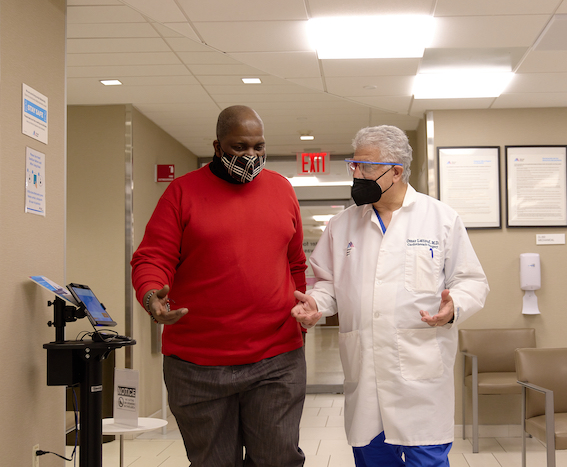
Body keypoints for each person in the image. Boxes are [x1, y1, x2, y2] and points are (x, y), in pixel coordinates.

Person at [292, 125, 489, 467]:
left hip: (421, 374)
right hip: (365, 371)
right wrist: (317, 305)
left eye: (365, 166)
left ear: (396, 171)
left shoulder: (440, 219)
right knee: (372, 457)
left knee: (425, 458)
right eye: (353, 165)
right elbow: (327, 284)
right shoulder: (342, 225)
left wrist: (454, 305)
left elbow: (472, 281)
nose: (357, 173)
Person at [131, 105, 307, 467]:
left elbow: (295, 263)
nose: (251, 156)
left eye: (258, 147)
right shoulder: (182, 193)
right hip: (198, 364)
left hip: (276, 357)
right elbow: (152, 257)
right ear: (217, 145)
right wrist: (152, 294)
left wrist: (302, 312)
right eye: (239, 147)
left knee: (279, 459)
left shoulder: (281, 189)